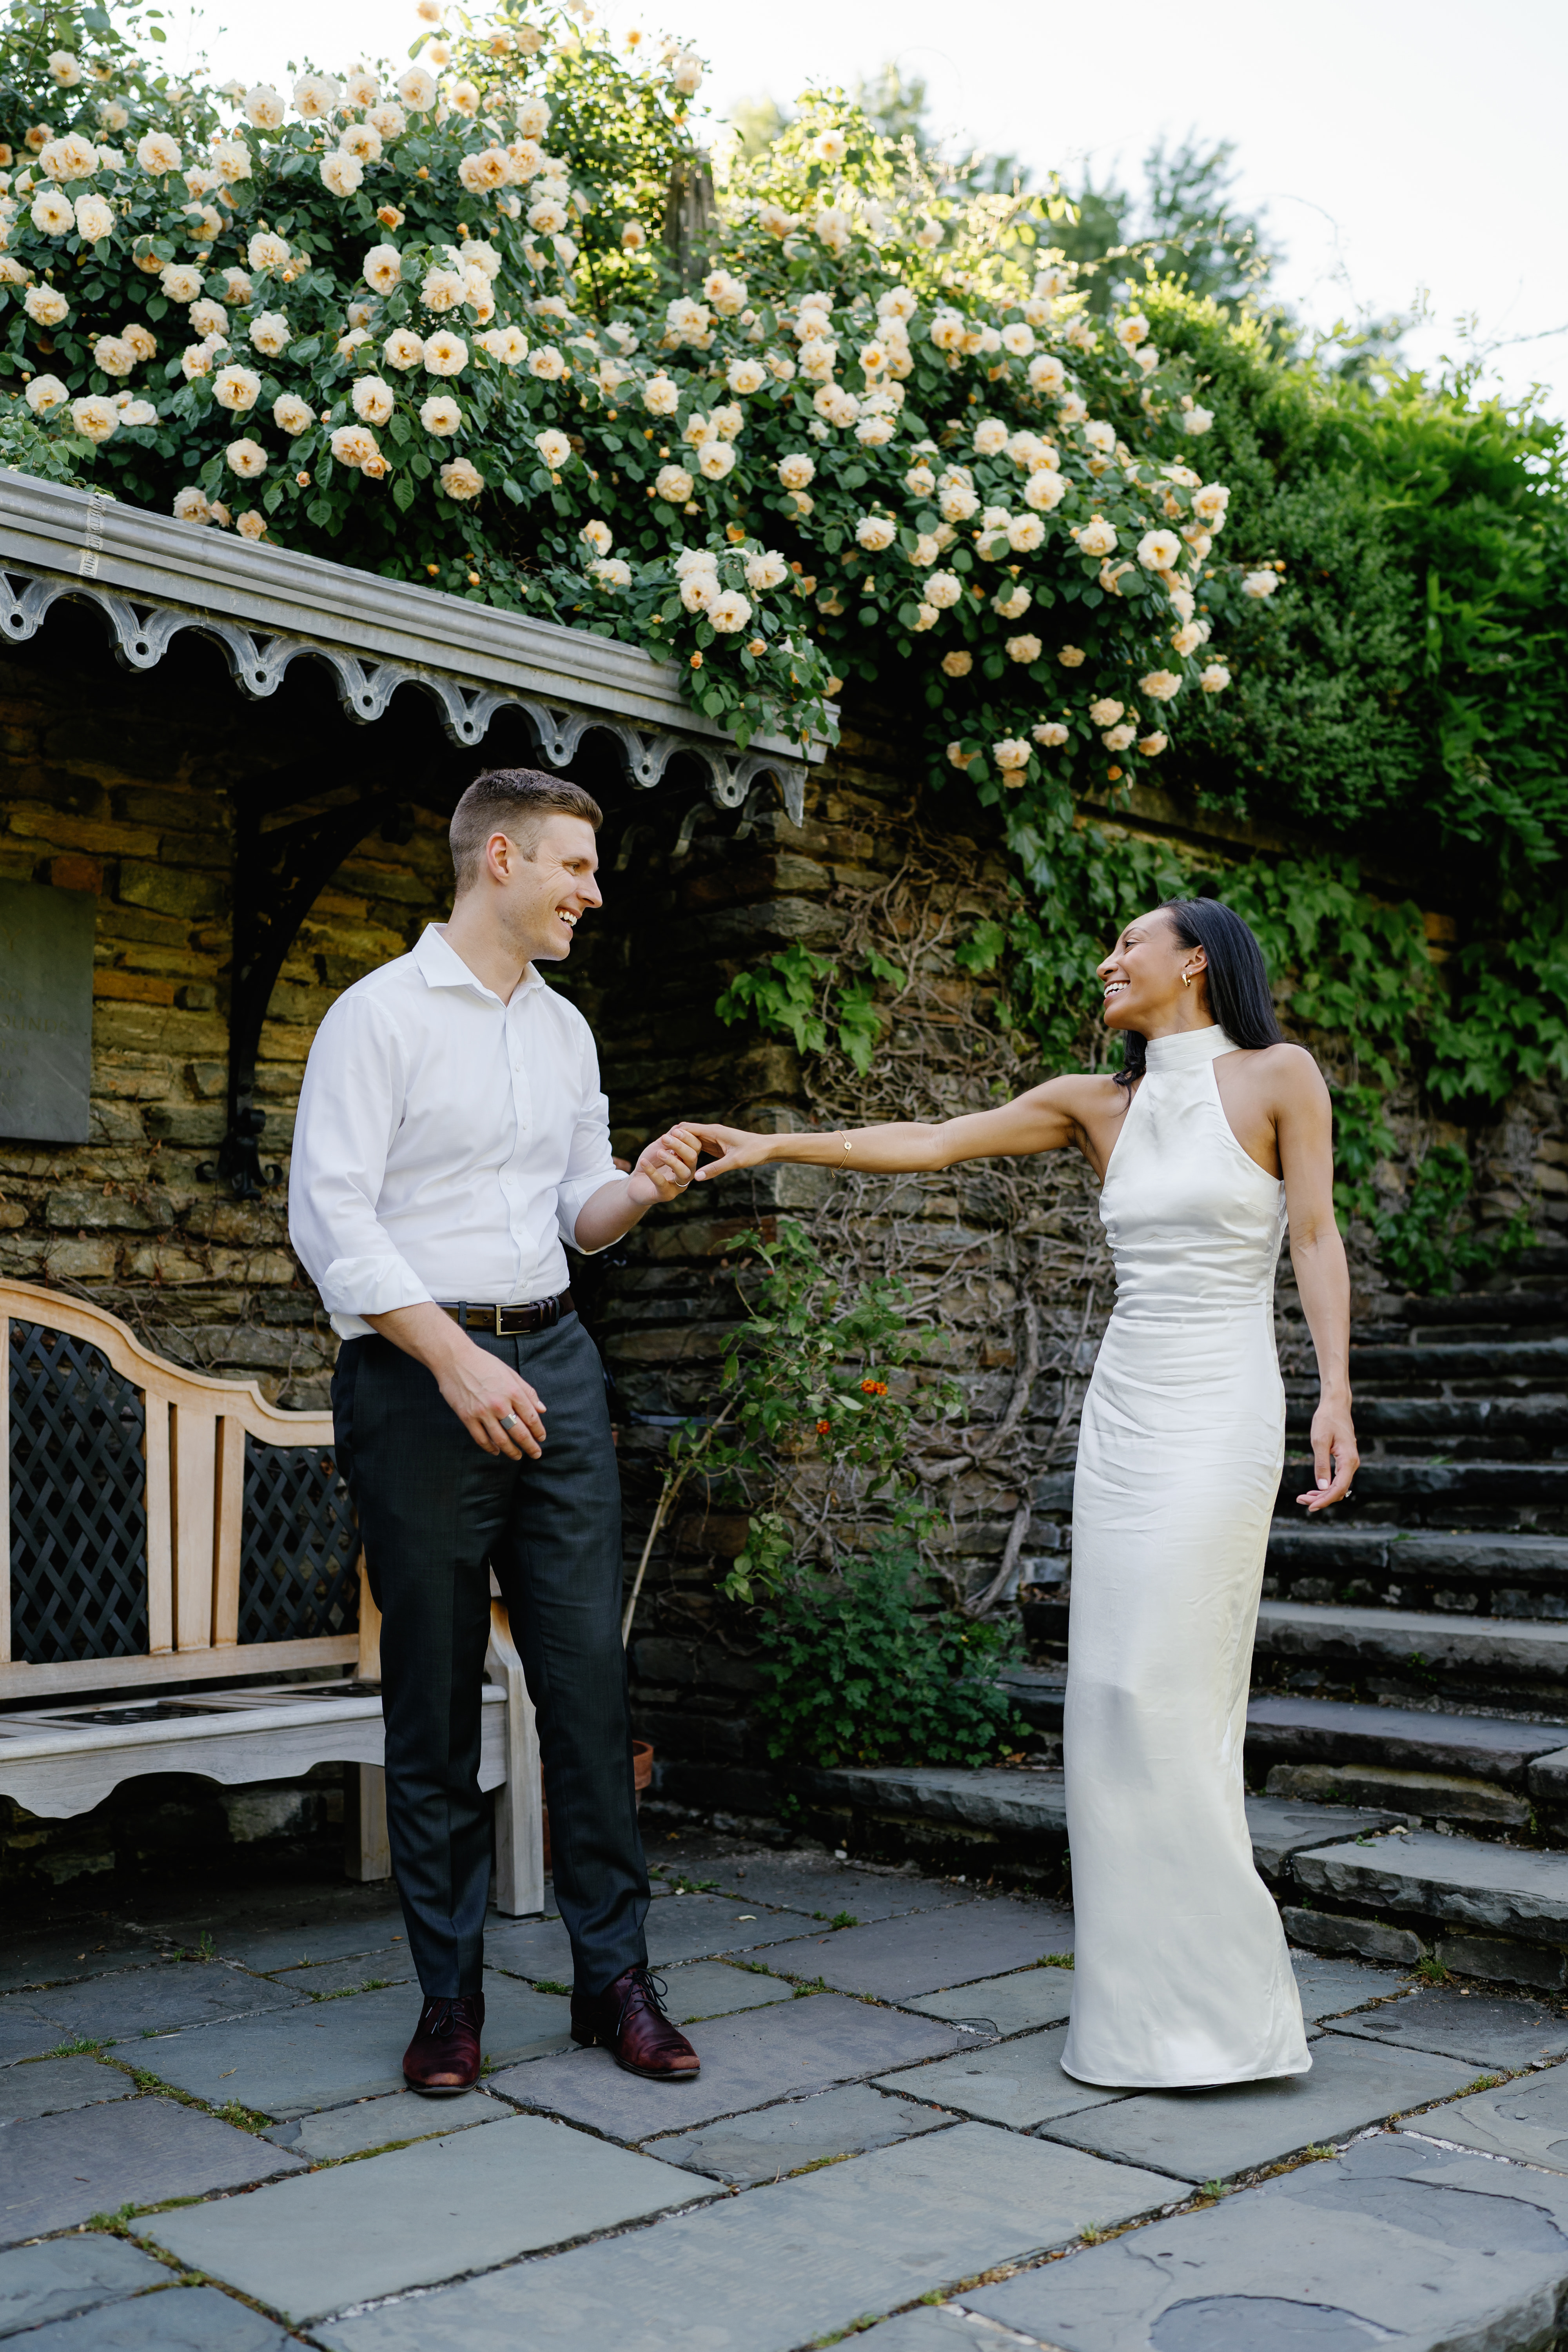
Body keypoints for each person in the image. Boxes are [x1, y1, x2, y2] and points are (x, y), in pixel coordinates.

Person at [688, 897, 1357, 2089]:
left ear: (1193, 962)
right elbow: (936, 1139)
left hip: (1225, 1406)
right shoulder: (1091, 1103)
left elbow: (1313, 1232)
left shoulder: (1278, 1076)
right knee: (1105, 1698)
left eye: (1129, 946)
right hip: (1128, 1411)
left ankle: (1230, 2015)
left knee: (1170, 1696)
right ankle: (1138, 2024)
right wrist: (775, 1146)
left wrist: (1335, 1393)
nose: (1107, 962)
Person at [289, 767, 705, 2094]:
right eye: (579, 867)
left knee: (588, 1683)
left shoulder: (567, 1031)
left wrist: (633, 1190)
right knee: (436, 1697)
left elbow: (575, 1208)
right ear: (505, 859)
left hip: (559, 1363)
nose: (595, 890)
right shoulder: (377, 1018)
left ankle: (615, 1983)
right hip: (420, 1381)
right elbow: (332, 1221)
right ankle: (449, 2000)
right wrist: (457, 1359)